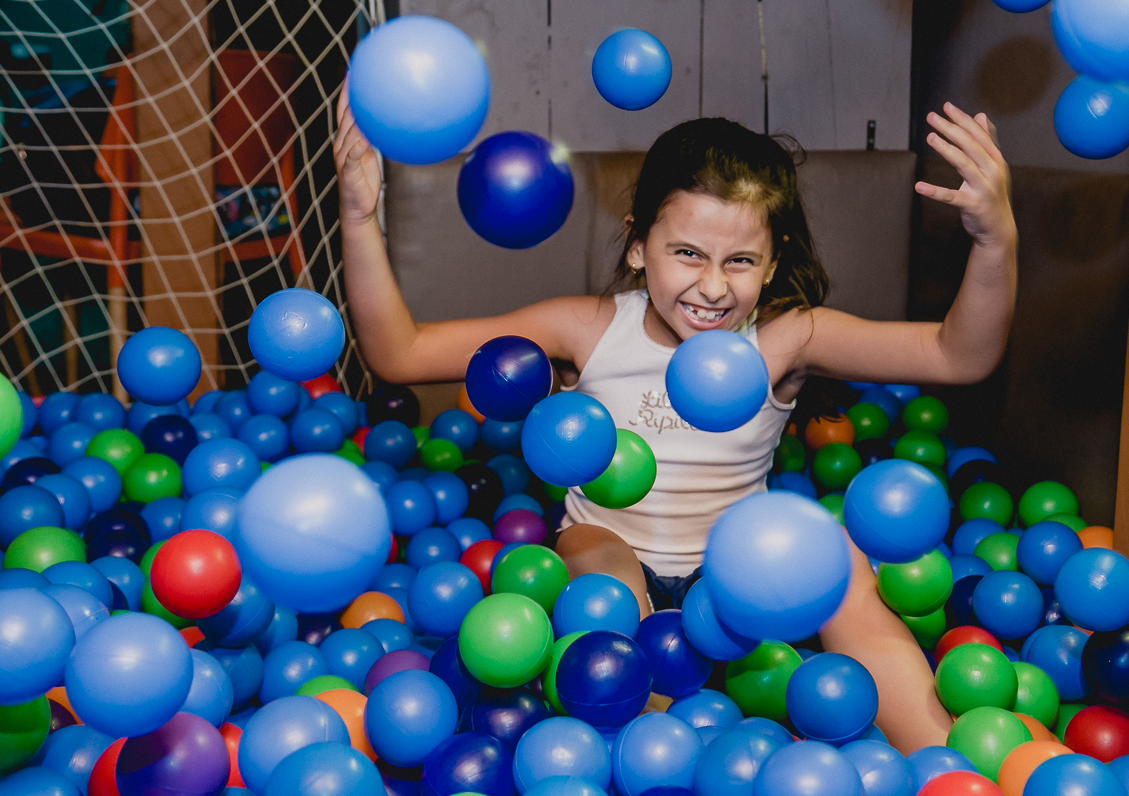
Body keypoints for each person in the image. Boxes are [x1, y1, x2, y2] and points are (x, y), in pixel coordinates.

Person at [336, 84, 1017, 751]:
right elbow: (401, 354)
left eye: (740, 261)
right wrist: (360, 216)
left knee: (837, 553)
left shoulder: (784, 337)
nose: (712, 286)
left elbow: (958, 356)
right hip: (611, 553)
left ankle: (940, 758)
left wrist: (995, 240)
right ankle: (648, 743)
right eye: (688, 253)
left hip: (736, 581)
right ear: (638, 245)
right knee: (600, 557)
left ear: (772, 263)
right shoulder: (587, 328)